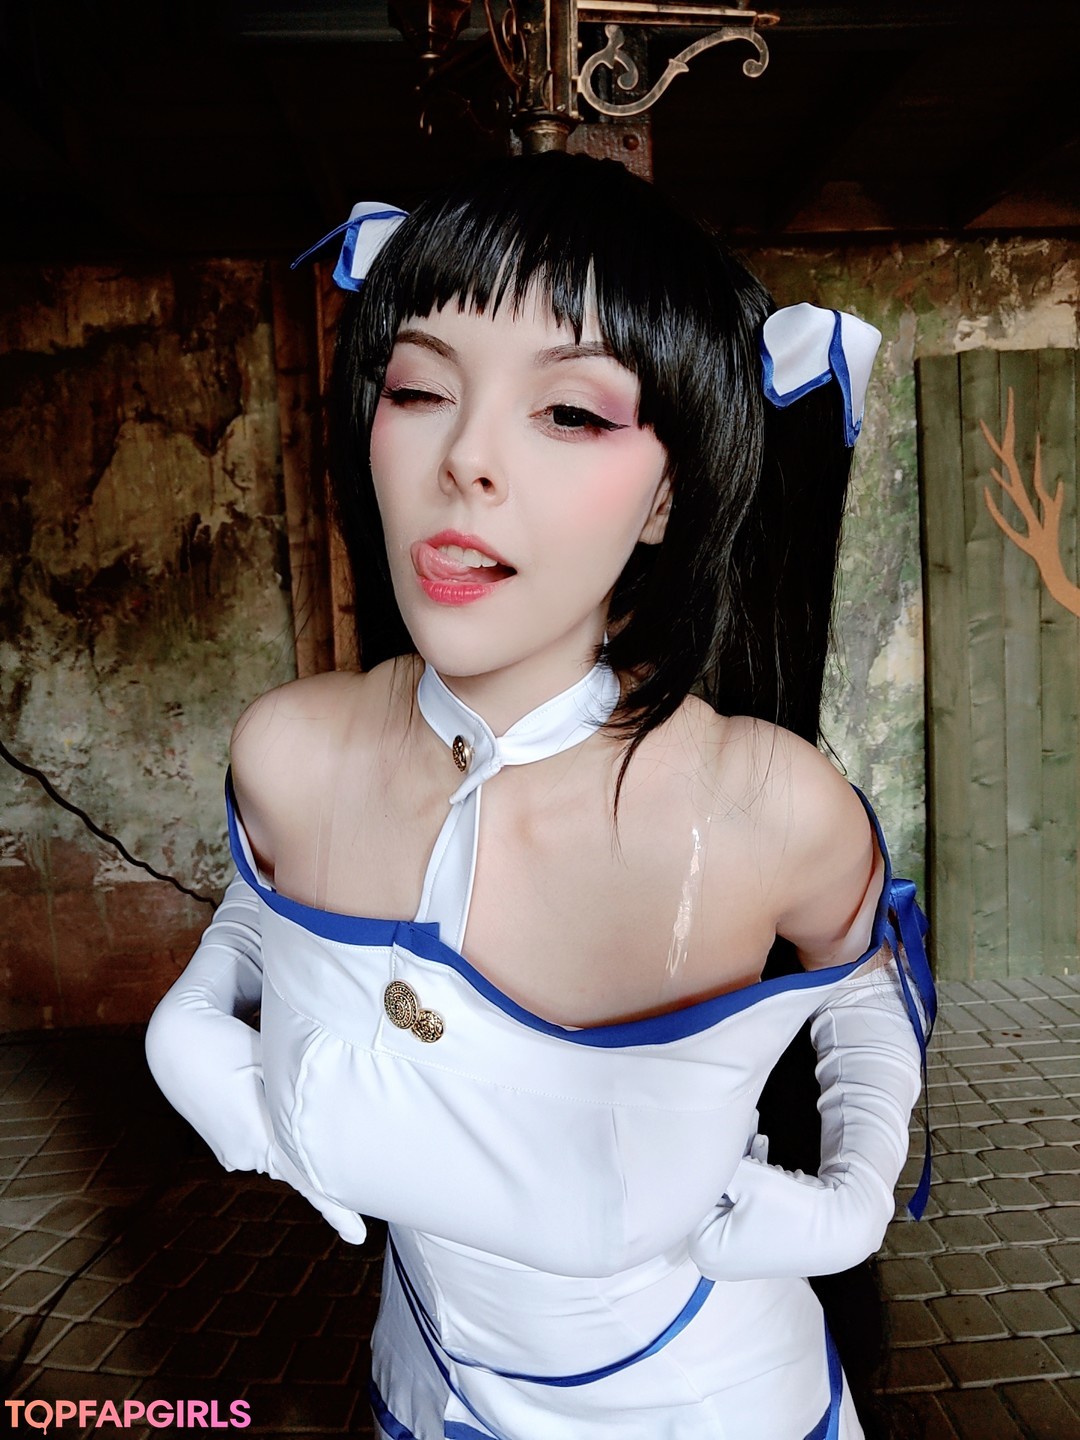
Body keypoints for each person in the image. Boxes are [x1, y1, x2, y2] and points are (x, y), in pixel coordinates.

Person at [146, 152, 934, 1440]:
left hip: (716, 1404)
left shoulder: (762, 807)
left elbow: (863, 978)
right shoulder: (287, 752)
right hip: (422, 1383)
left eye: (568, 411)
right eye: (419, 389)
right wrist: (196, 1009)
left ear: (670, 493)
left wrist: (858, 1185)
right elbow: (272, 895)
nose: (466, 459)